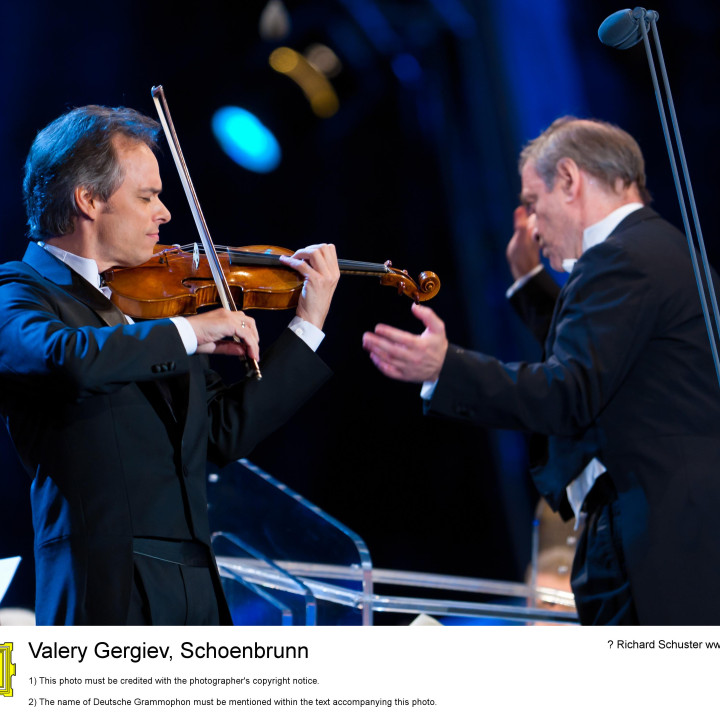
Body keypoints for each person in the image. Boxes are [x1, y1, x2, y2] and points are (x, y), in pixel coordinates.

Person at [362, 116, 720, 625]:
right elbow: (603, 354)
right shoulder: (656, 248)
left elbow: (569, 392)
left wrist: (448, 368)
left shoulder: (621, 258)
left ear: (570, 180)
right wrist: (529, 281)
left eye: (532, 203)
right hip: (678, 529)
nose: (530, 223)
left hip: (654, 539)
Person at [0, 105, 340, 625]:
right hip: (105, 590)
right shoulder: (21, 292)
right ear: (88, 200)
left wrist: (307, 324)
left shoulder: (147, 310)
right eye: (147, 197)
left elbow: (222, 434)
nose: (165, 213)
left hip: (194, 587)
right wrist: (189, 331)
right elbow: (67, 359)